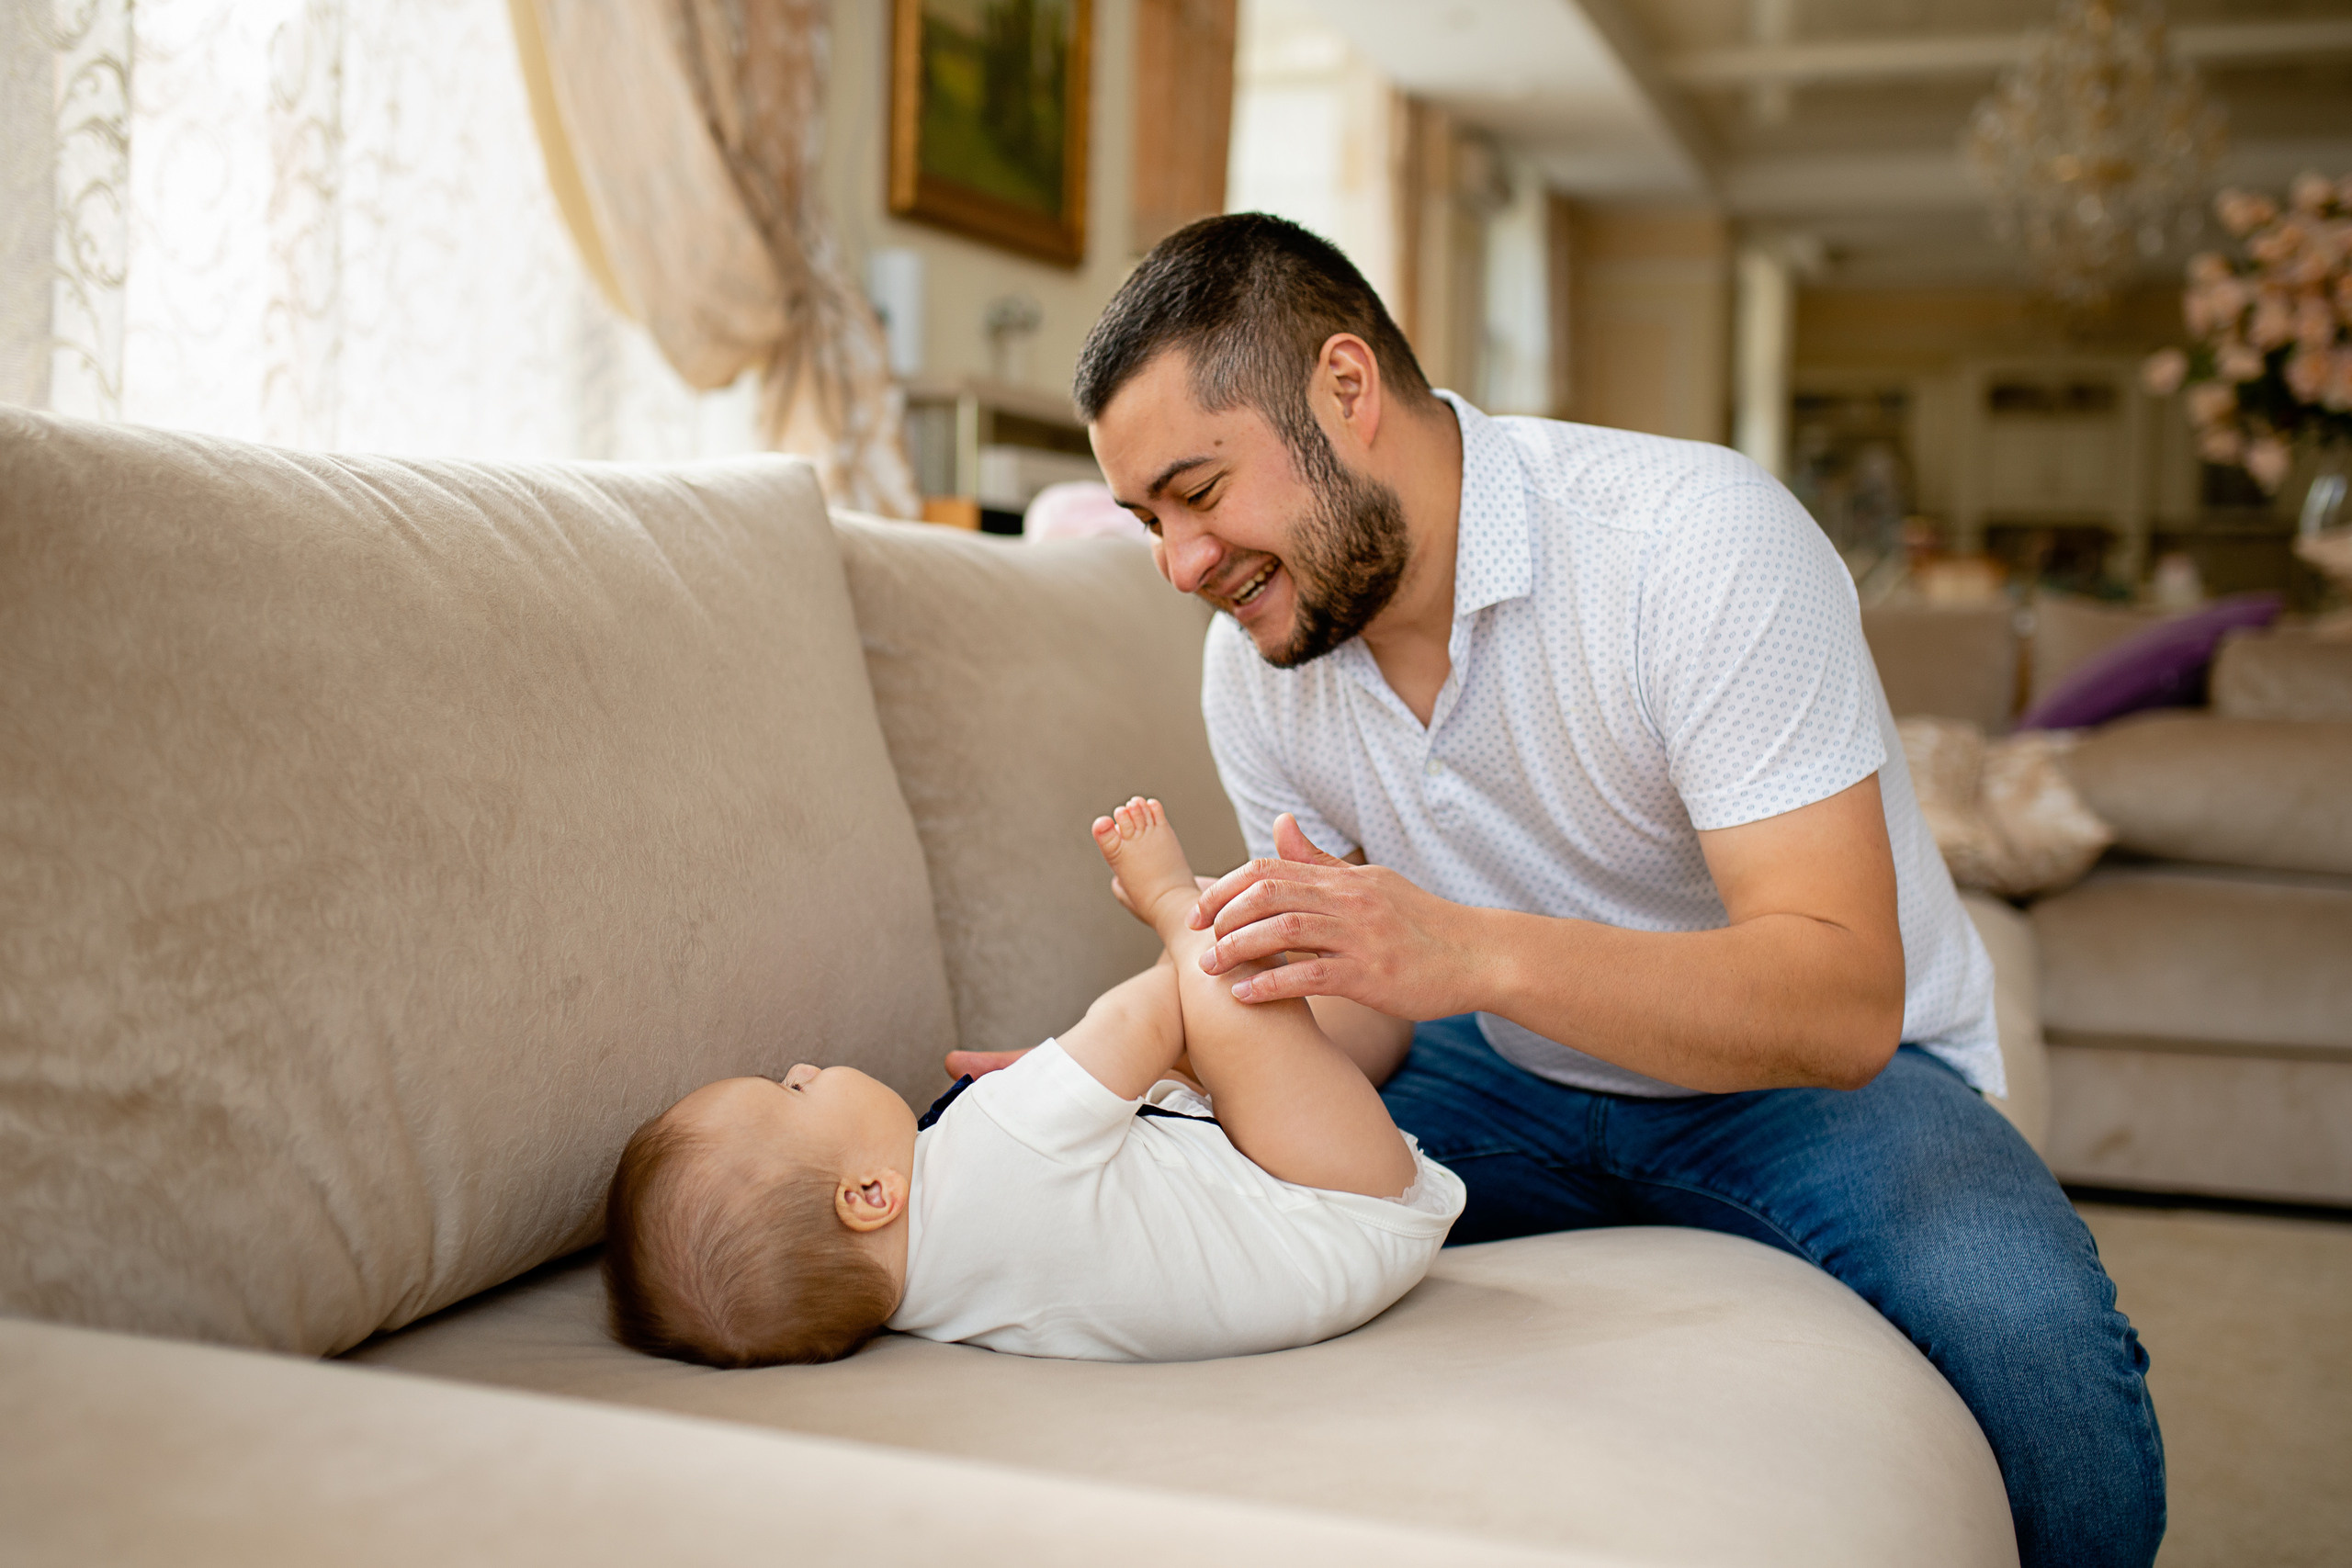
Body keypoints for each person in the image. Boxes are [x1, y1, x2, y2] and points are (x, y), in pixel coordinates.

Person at [1064, 211, 2164, 1568]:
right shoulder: (1263, 660)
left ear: (1346, 391)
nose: (1179, 563)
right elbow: (1361, 1009)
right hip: (1505, 1076)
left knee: (2046, 1357)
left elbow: (1839, 997)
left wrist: (1466, 957)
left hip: (1807, 1088)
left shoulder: (1690, 543)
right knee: (1113, 1181)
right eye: (1146, 519)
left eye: (1198, 489)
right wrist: (1139, 1072)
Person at [602, 796, 1464, 1368]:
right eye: (790, 1093)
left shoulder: (941, 1301)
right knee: (1218, 977)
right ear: (870, 1192)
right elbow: (1138, 1023)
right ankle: (1178, 898)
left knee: (1189, 1066)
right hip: (1338, 1192)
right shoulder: (989, 1146)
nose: (799, 1068)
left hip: (1330, 1252)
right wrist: (1172, 926)